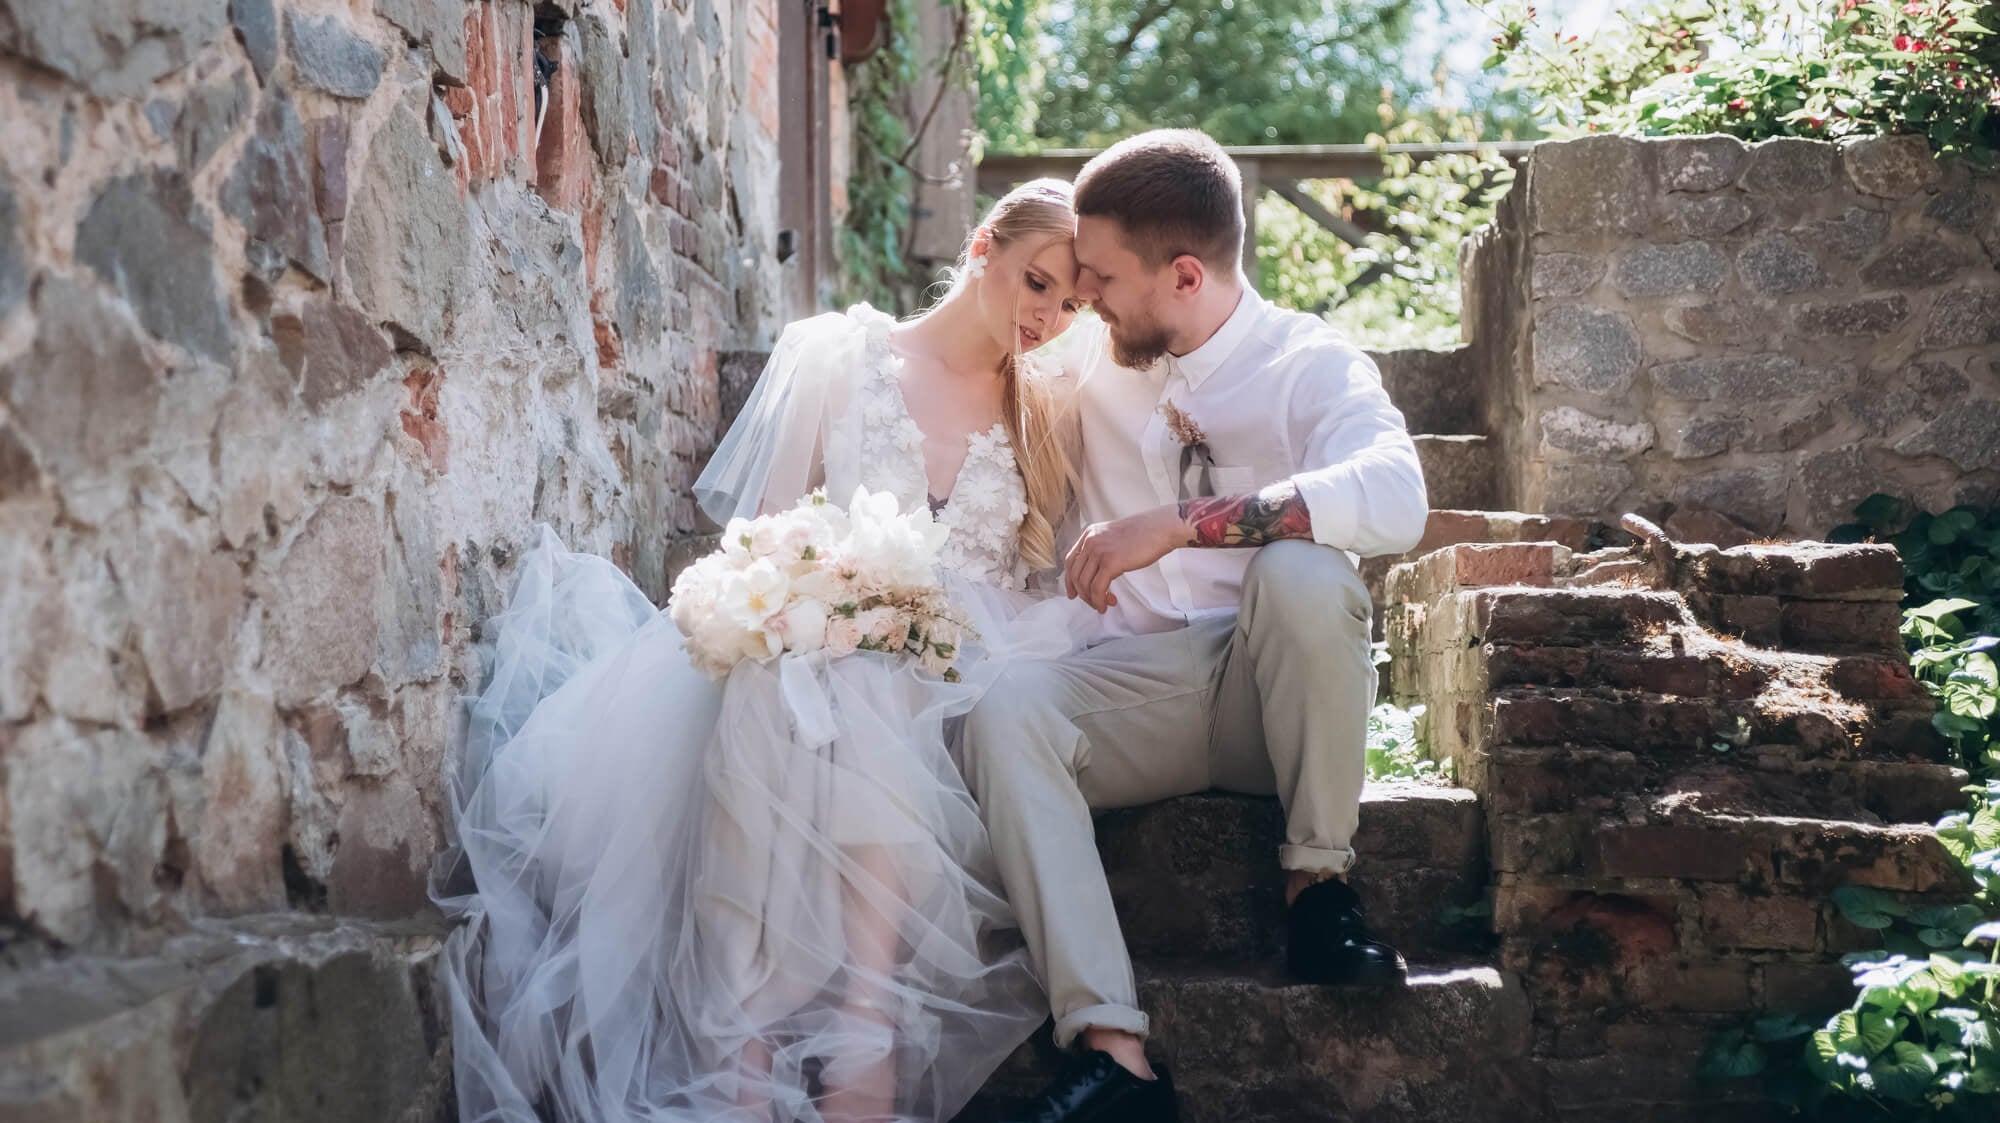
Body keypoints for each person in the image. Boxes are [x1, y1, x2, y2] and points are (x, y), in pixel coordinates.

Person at [435, 179, 1096, 1123]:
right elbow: (767, 538)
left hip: (966, 666)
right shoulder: (842, 356)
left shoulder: (1049, 411)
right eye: (1039, 284)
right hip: (830, 634)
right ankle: (745, 1038)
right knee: (792, 684)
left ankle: (855, 1025)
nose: (1050, 316)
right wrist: (817, 611)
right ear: (985, 243)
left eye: (1072, 304)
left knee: (856, 692)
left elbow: (1038, 588)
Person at [956, 130, 1430, 1123]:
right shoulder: (1087, 361)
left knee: (1303, 572)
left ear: (1181, 274)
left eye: (1098, 274)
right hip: (1139, 686)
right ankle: (1108, 1047)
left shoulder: (1306, 359)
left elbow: (1395, 497)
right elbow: (975, 365)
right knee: (1005, 711)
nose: (1081, 294)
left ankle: (1317, 891)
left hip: (1276, 690)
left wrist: (1176, 525)